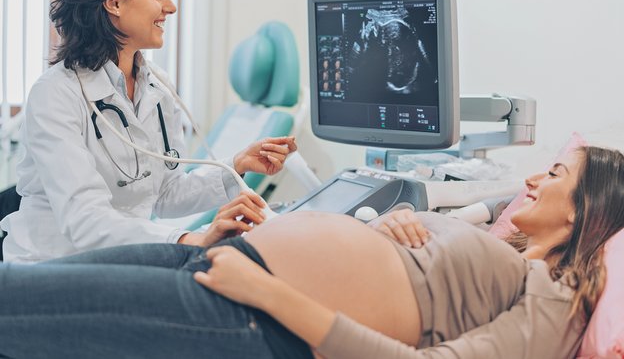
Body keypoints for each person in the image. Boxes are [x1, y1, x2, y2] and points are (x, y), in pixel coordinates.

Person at [0, 145, 623, 358]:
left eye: (555, 174)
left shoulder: (559, 299)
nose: (534, 180)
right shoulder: (503, 248)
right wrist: (399, 222)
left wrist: (272, 295)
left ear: (586, 209)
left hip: (250, 316)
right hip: (224, 264)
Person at [0, 0, 296, 263]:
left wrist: (235, 166)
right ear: (114, 4)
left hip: (121, 261)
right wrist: (187, 239)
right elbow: (84, 219)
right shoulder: (56, 94)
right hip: (51, 268)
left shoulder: (157, 86)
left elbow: (164, 194)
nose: (170, 6)